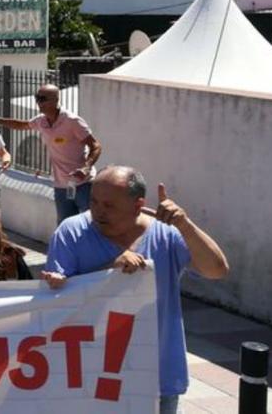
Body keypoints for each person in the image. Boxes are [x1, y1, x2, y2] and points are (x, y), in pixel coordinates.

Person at [41, 166, 229, 414]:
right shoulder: (71, 232)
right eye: (94, 201)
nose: (97, 211)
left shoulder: (166, 234)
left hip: (156, 378)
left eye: (109, 206)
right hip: (90, 377)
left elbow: (216, 269)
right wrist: (110, 269)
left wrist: (185, 225)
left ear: (138, 204)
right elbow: (57, 303)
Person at [0, 84, 101, 223]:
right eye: (37, 98)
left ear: (55, 100)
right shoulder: (41, 121)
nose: (38, 102)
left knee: (93, 224)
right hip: (62, 186)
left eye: (42, 98)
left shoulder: (72, 121)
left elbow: (96, 146)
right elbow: (21, 125)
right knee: (65, 226)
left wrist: (86, 167)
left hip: (84, 184)